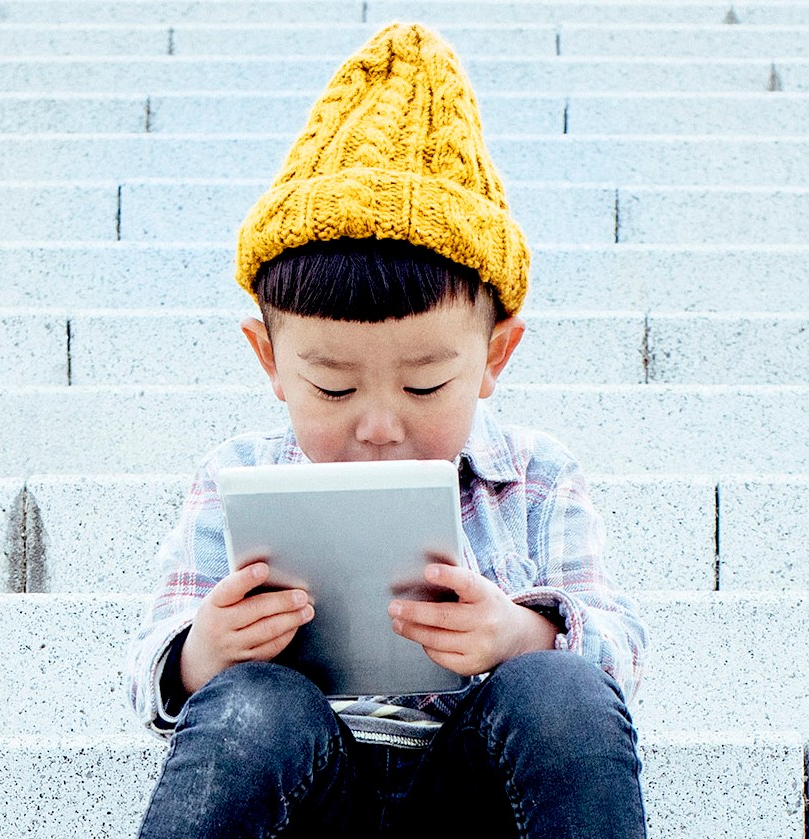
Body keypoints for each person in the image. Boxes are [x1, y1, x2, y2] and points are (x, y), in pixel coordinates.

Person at [126, 22, 648, 838]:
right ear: (268, 358)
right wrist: (207, 652)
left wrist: (518, 633)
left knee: (563, 689)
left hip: (476, 797)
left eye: (424, 383)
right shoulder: (238, 476)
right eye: (331, 385)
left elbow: (620, 653)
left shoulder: (538, 478)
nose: (378, 424)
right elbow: (150, 673)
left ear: (494, 357)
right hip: (306, 798)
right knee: (246, 708)